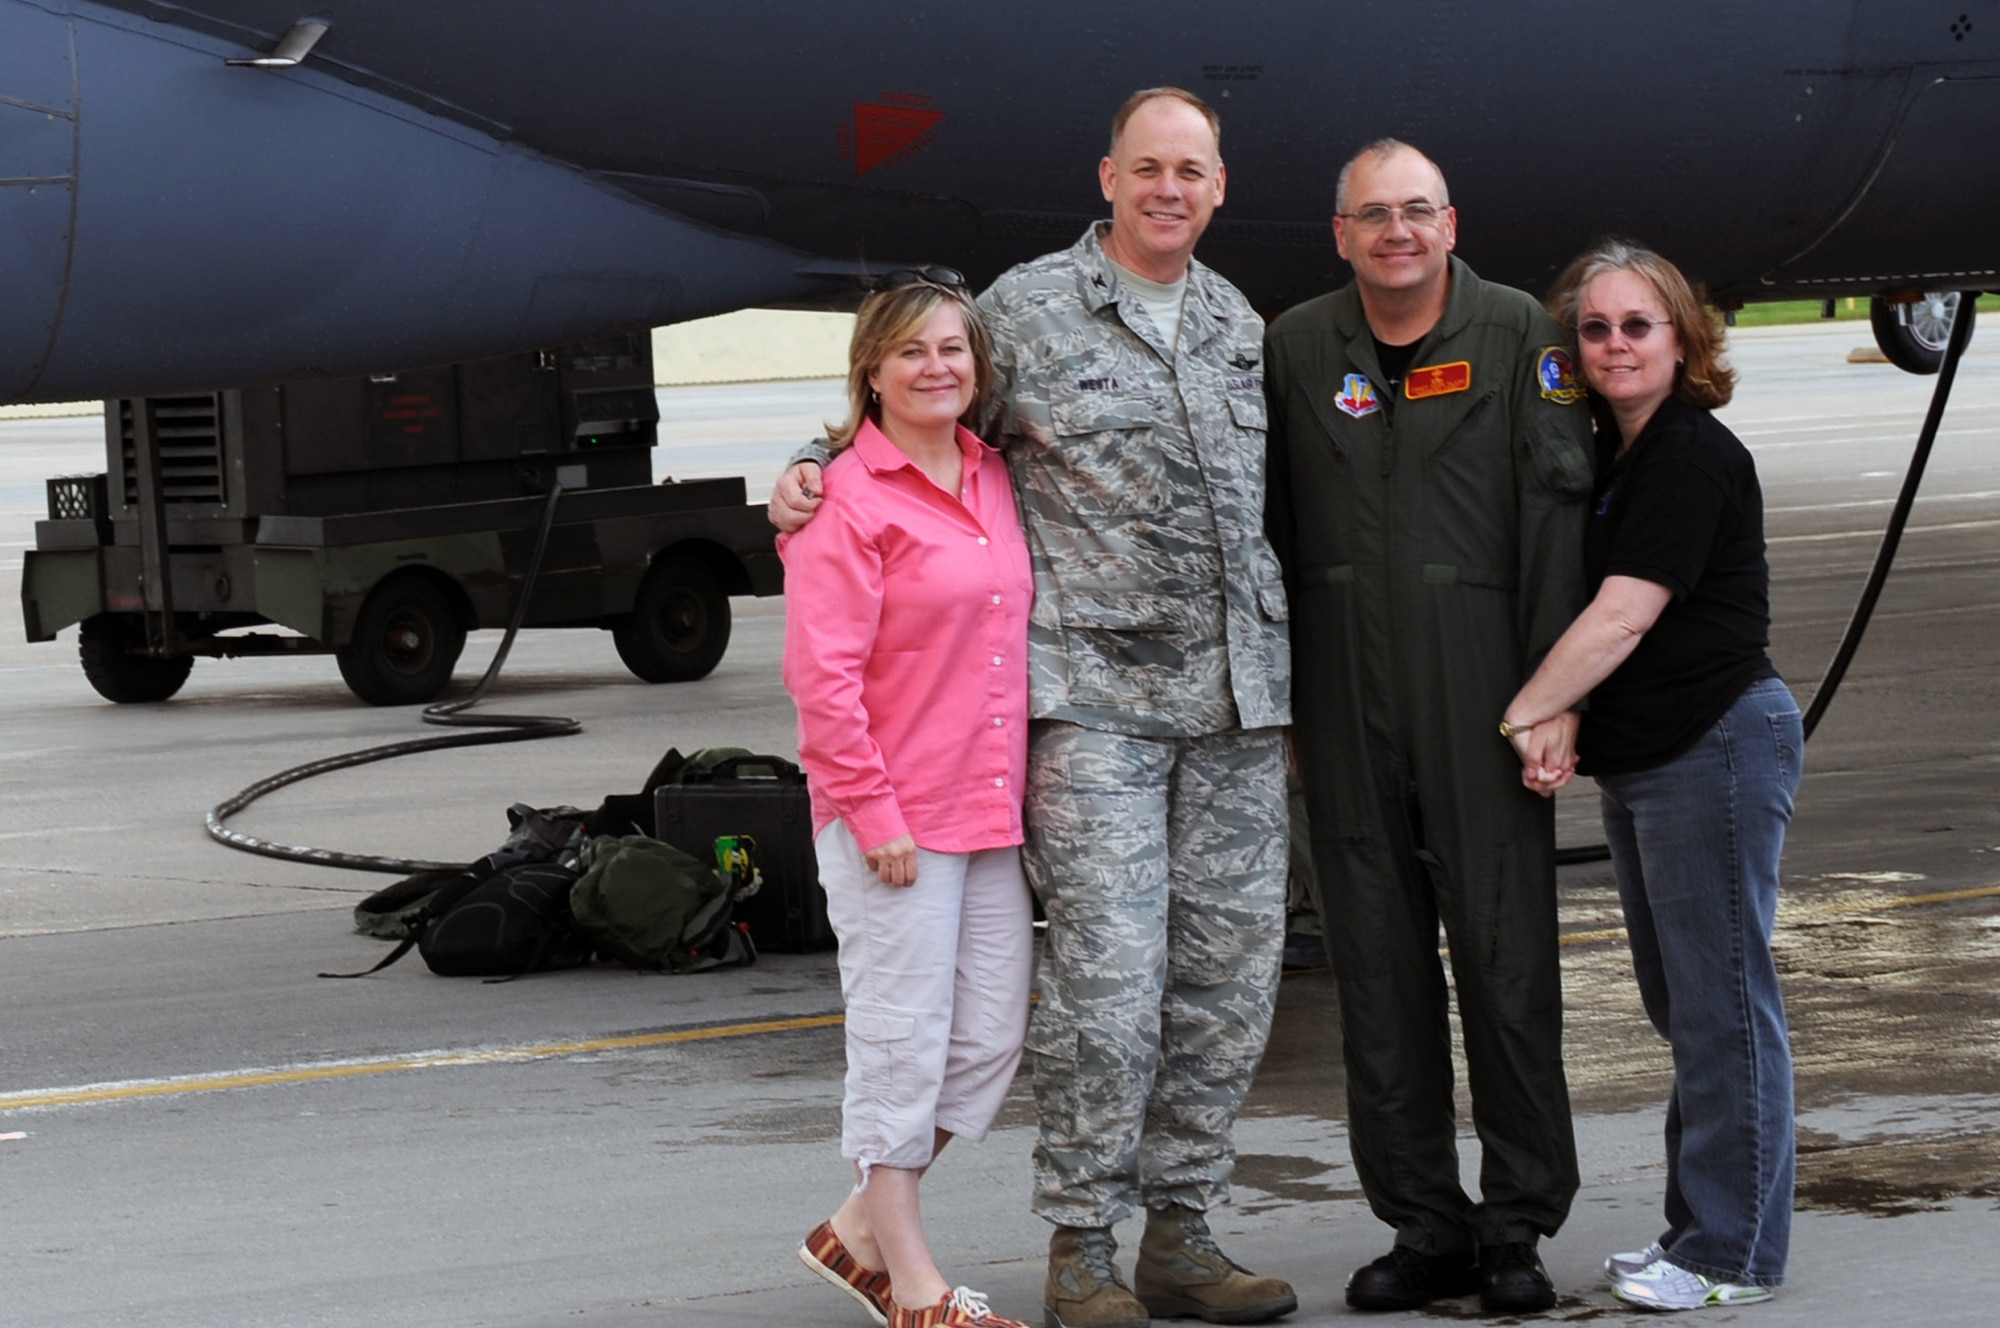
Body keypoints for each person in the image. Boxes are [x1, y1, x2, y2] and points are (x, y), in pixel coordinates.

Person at [773, 88, 1296, 1328]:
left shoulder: (1235, 322)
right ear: (1106, 175)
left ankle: (1182, 1230)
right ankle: (1082, 1246)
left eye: (1192, 170)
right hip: (1095, 708)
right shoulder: (1026, 308)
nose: (1169, 188)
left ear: (1218, 187)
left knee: (1226, 985)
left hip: (1236, 705)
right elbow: (914, 396)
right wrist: (805, 467)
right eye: (1147, 167)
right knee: (1107, 991)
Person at [1261, 139, 1594, 1314]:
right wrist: (1284, 701)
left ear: (1449, 222)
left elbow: (1557, 522)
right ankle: (1420, 1220)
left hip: (1483, 693)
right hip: (1342, 697)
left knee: (1506, 965)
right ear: (1338, 232)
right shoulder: (1297, 344)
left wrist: (1551, 697)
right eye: (1370, 215)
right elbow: (1268, 529)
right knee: (1375, 973)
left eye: (1414, 211)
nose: (1393, 232)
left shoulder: (1517, 337)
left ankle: (1514, 1223)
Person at [1502, 239, 1802, 1312]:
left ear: (1682, 338)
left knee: (1719, 1007)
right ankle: (1701, 1230)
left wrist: (1529, 708)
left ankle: (1727, 1254)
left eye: (1637, 325)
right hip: (1658, 758)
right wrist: (1565, 709)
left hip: (1711, 744)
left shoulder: (1683, 453)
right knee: (1689, 1006)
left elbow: (1623, 614)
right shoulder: (1617, 453)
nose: (1614, 344)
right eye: (1593, 327)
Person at [784, 274, 1037, 1328]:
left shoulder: (990, 470)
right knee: (900, 1044)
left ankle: (853, 1224)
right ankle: (912, 1281)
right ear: (871, 373)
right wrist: (872, 812)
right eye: (912, 353)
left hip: (986, 806)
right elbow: (821, 677)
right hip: (892, 816)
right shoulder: (845, 495)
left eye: (953, 349)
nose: (938, 367)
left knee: (984, 1040)